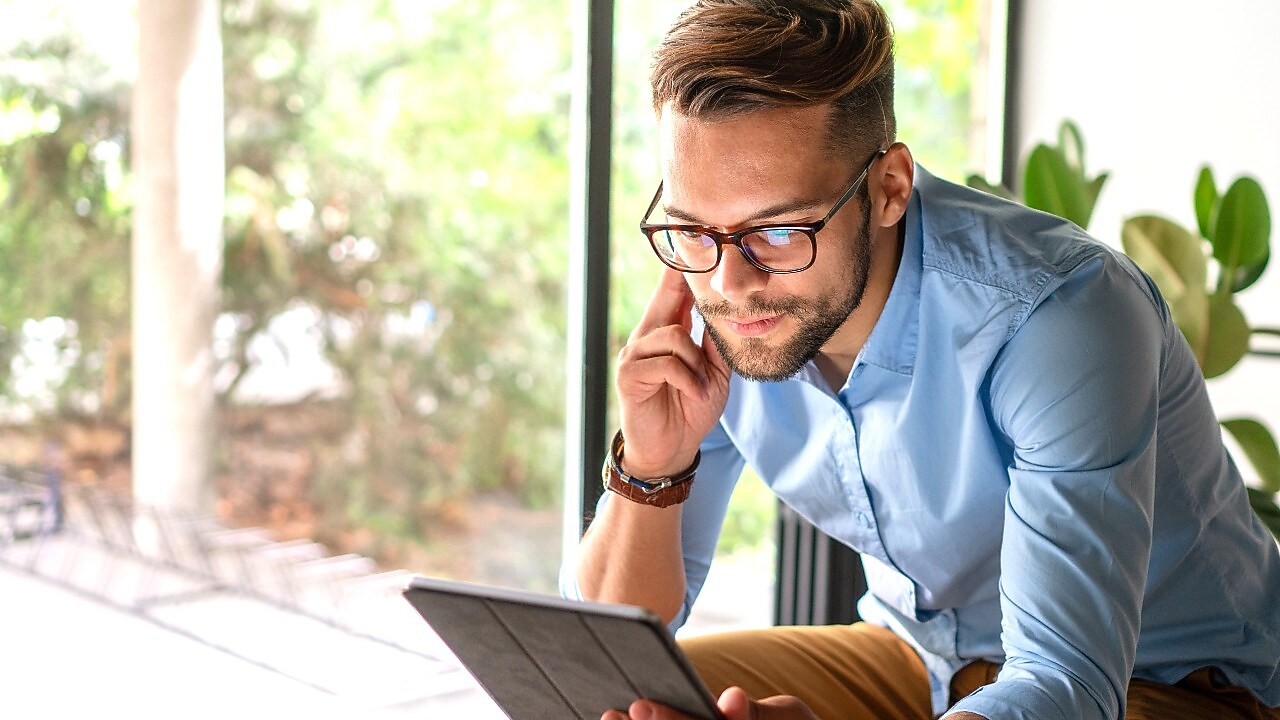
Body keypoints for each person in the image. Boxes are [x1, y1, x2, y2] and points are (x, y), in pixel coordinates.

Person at [562, 1, 1280, 719]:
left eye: (779, 231)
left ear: (890, 189)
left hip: (1171, 683)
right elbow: (603, 651)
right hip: (921, 657)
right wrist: (651, 469)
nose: (729, 284)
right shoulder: (723, 298)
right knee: (615, 703)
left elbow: (1069, 686)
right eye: (692, 229)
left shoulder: (1060, 315)